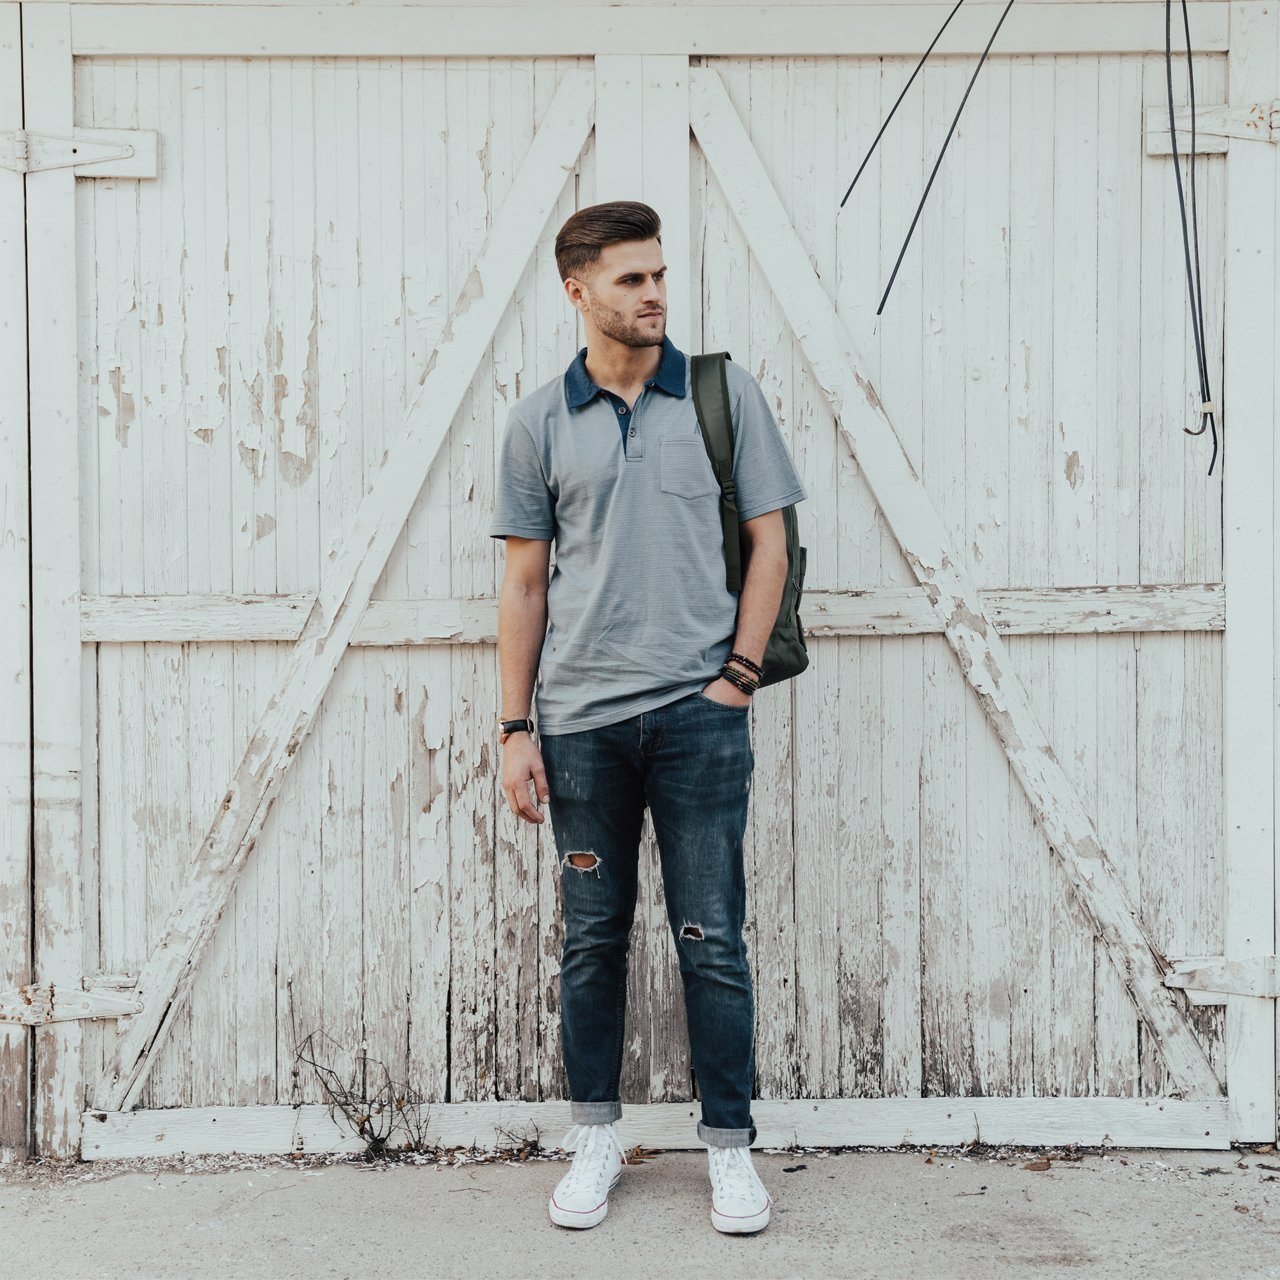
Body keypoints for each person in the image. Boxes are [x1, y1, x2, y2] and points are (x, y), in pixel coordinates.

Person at [487, 200, 807, 1234]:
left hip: (698, 718)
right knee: (592, 940)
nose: (654, 293)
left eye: (659, 274)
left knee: (711, 936)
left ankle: (730, 1147)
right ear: (577, 290)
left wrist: (738, 677)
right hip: (580, 725)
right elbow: (524, 583)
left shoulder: (720, 394)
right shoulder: (538, 422)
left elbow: (770, 543)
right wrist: (514, 729)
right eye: (631, 279)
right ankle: (594, 1138)